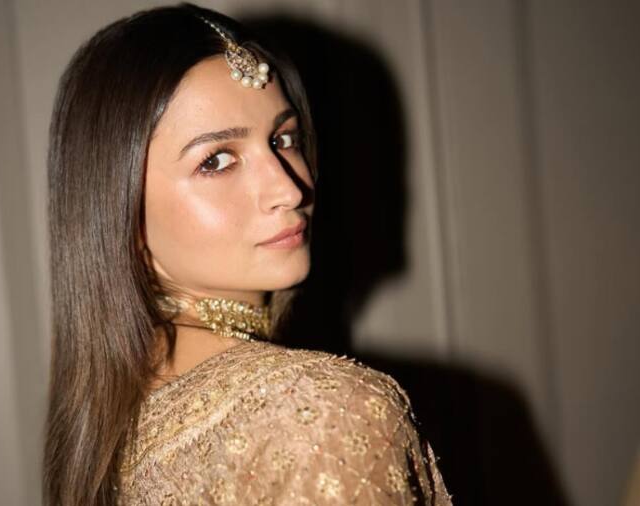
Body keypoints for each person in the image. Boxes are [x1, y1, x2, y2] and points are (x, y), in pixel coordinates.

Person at [42, 3, 452, 505]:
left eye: (284, 138)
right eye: (216, 160)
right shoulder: (323, 413)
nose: (290, 188)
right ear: (120, 212)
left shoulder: (110, 430)